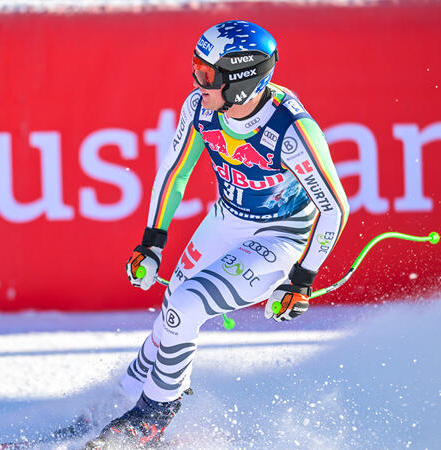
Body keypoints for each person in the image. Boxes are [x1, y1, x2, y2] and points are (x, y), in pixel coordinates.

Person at [86, 19, 350, 449]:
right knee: (174, 306)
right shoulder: (201, 107)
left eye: (207, 75)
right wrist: (152, 244)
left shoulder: (291, 131)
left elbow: (334, 208)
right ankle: (128, 396)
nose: (196, 81)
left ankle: (151, 420)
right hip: (227, 219)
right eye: (196, 68)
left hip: (280, 237)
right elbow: (175, 173)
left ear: (242, 81)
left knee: (188, 305)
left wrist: (301, 280)